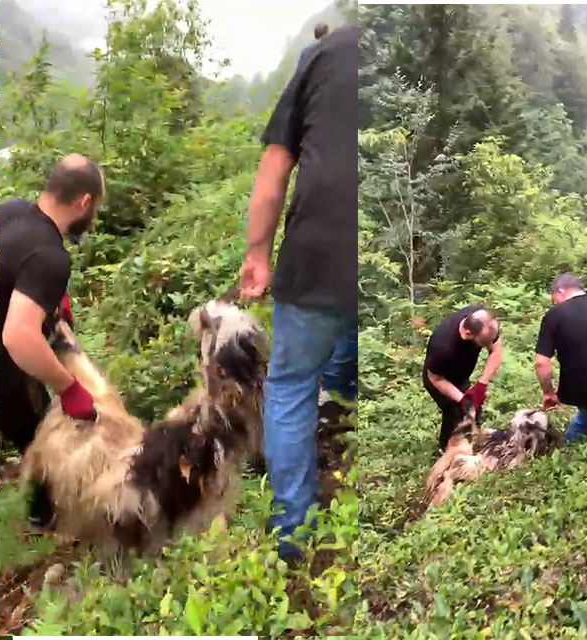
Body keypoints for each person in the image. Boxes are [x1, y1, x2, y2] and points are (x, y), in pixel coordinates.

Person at [238, 24, 357, 560]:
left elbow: (275, 166)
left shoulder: (323, 53)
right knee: (345, 355)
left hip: (314, 259)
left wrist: (257, 255)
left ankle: (293, 534)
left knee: (288, 388)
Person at [0, 154, 104, 528]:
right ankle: (47, 519)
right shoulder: (50, 257)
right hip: (2, 371)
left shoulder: (12, 212)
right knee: (40, 432)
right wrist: (69, 387)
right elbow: (18, 336)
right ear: (85, 202)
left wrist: (50, 302)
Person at [534, 274, 587, 444]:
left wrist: (548, 392)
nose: (554, 303)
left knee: (584, 418)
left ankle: (567, 448)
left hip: (585, 391)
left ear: (560, 291)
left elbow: (541, 362)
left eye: (553, 299)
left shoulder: (555, 314)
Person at [422, 305, 504, 453]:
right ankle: (446, 451)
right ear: (468, 334)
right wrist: (462, 399)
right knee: (455, 412)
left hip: (461, 374)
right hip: (439, 378)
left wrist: (481, 384)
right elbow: (435, 378)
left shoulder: (482, 319)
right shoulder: (443, 345)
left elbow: (496, 351)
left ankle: (473, 446)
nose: (488, 345)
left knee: (474, 410)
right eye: (483, 343)